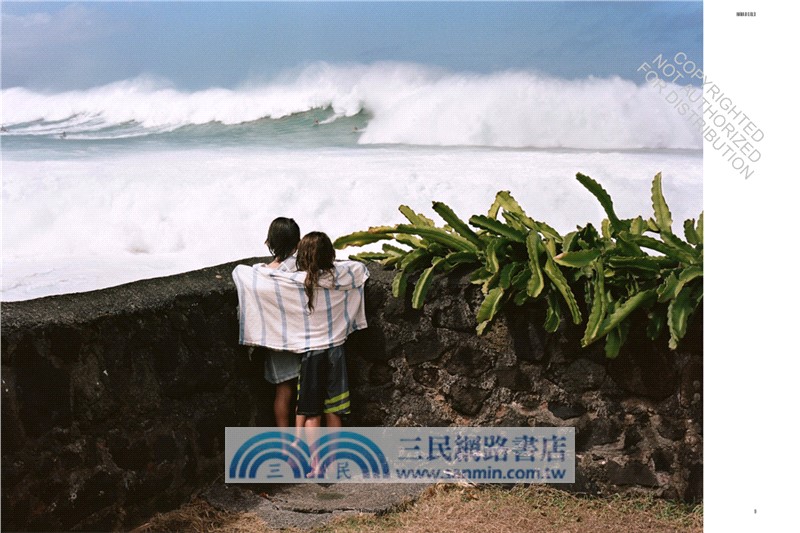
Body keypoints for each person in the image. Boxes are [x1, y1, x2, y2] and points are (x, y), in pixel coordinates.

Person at [293, 232, 351, 431]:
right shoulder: (341, 279)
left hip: (312, 353)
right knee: (334, 410)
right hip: (336, 349)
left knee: (312, 412)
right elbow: (360, 268)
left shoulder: (294, 282)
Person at [261, 217, 303, 428]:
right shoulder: (301, 269)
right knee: (305, 391)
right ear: (298, 242)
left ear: (270, 242)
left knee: (284, 390)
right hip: (304, 336)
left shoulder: (263, 274)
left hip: (277, 339)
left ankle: (284, 439)